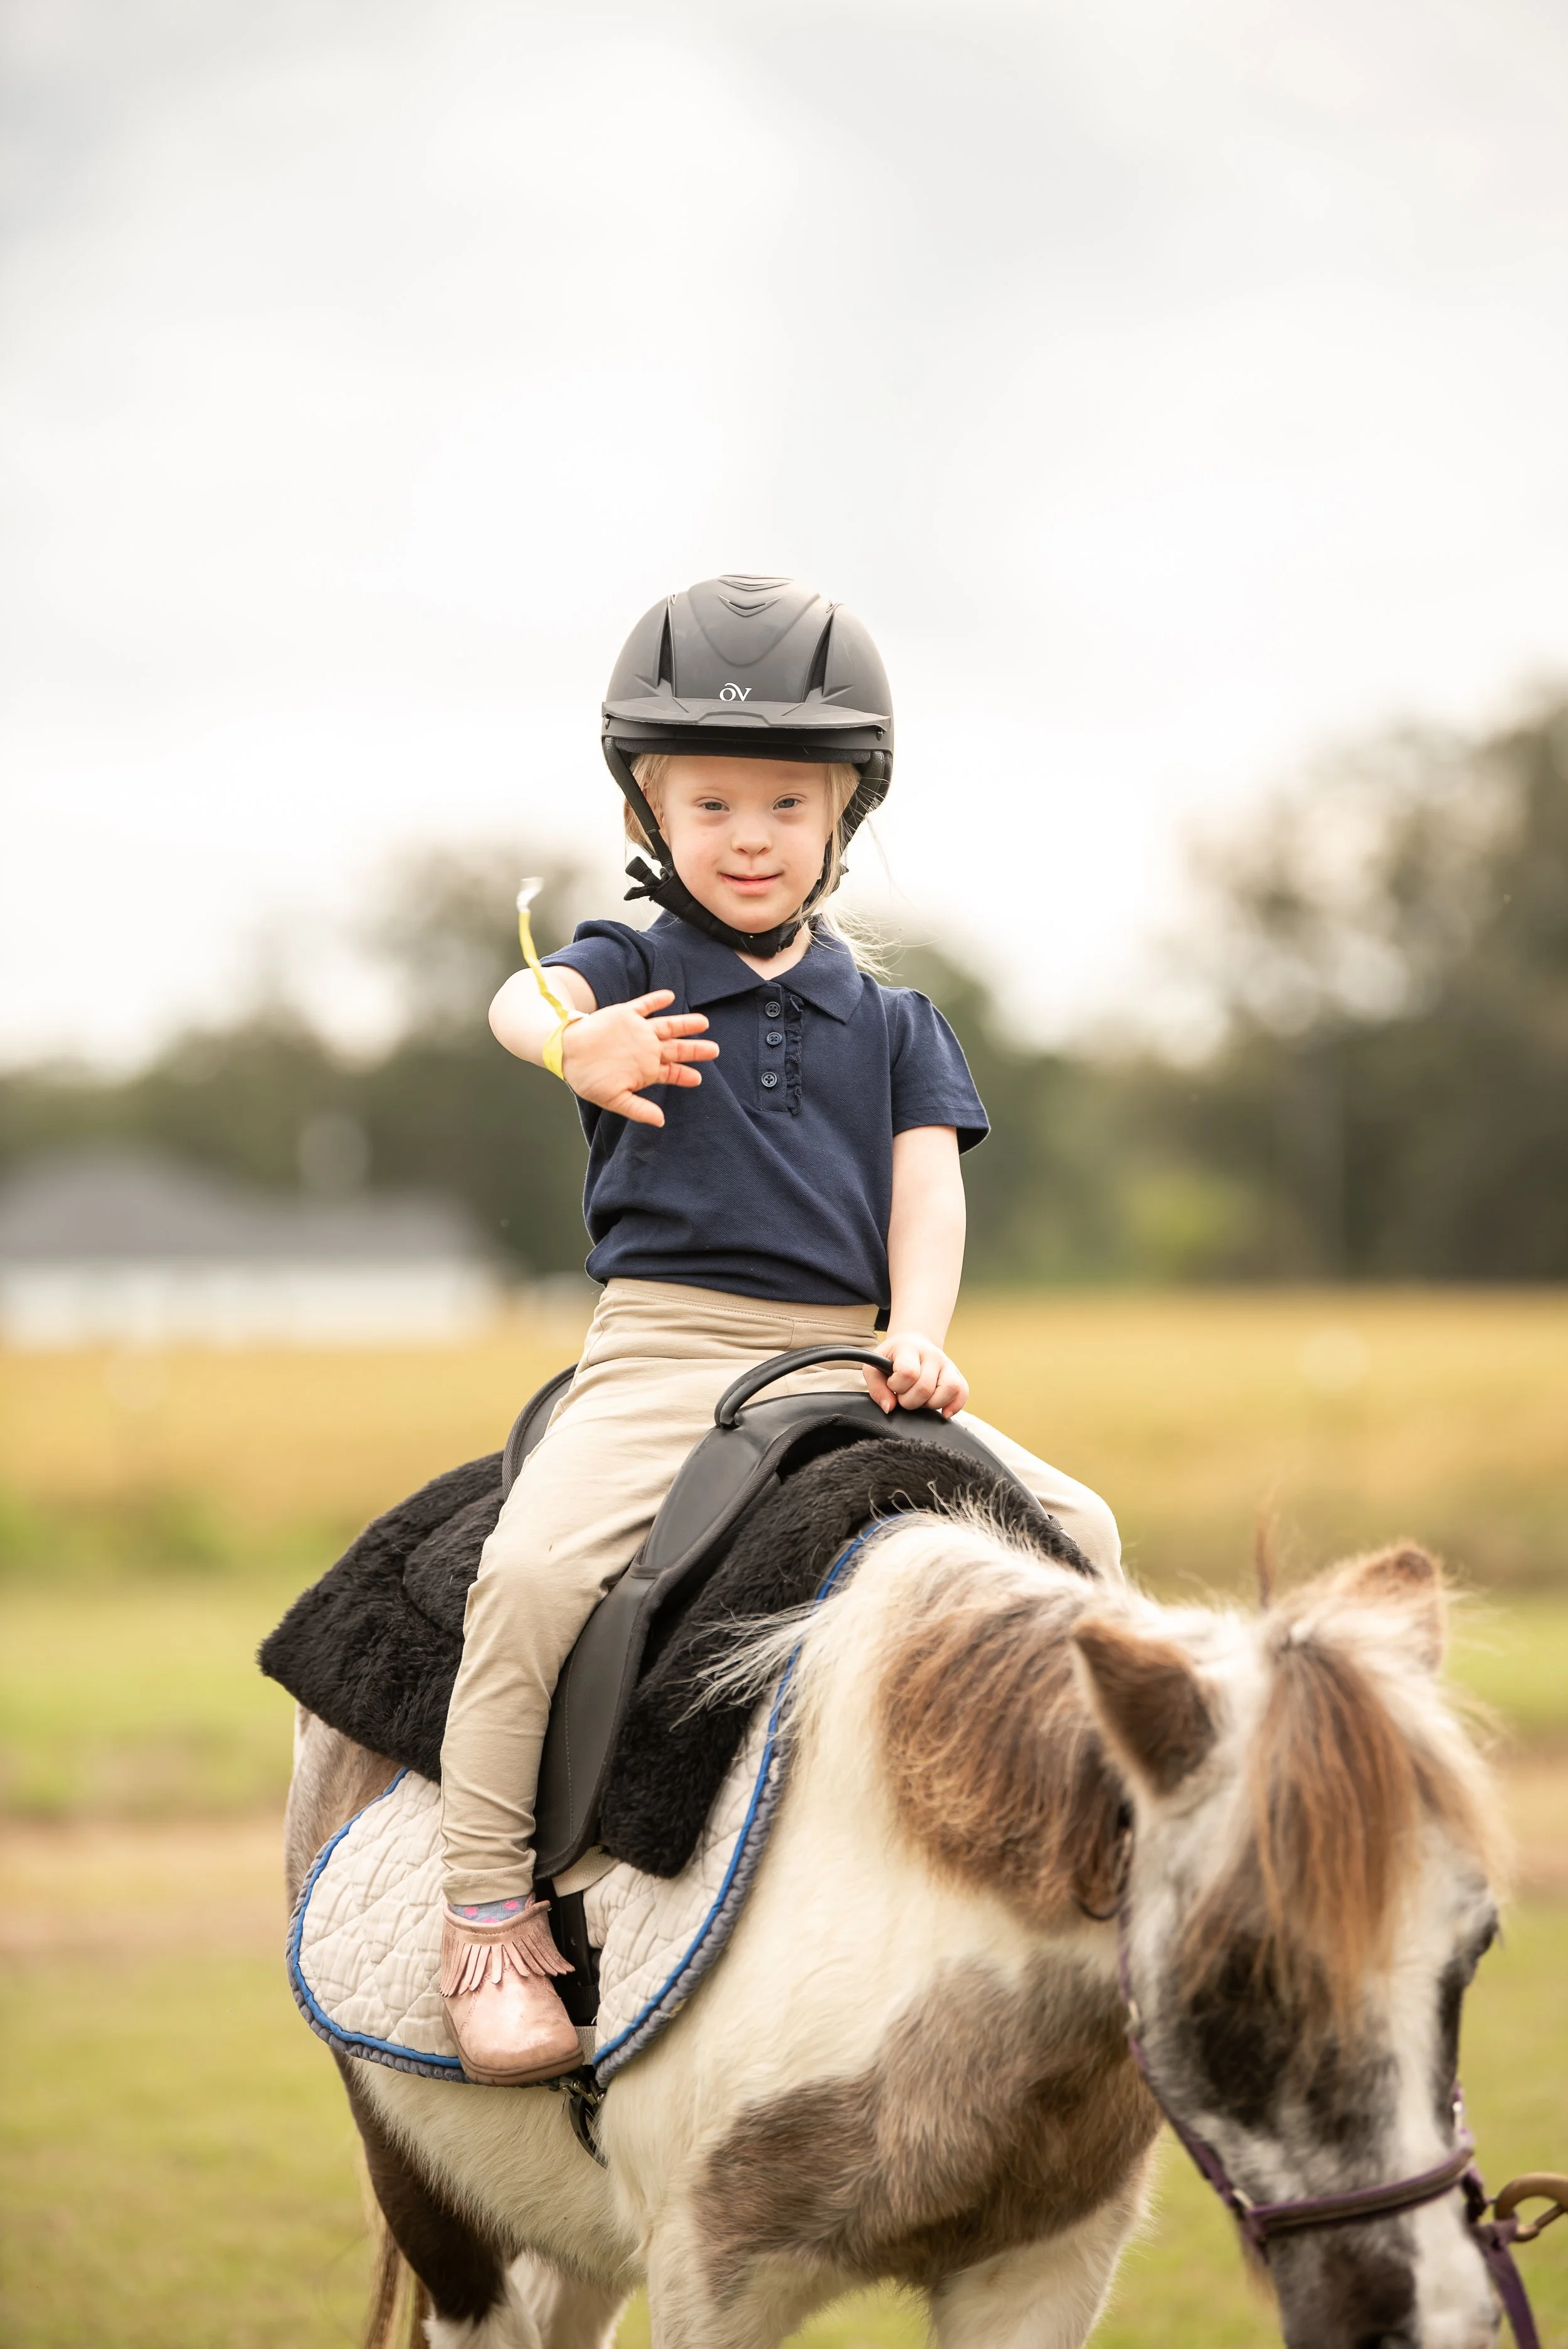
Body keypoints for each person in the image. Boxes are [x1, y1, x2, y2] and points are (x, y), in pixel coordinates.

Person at [437, 574, 1121, 2085]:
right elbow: (515, 995)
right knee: (534, 1572)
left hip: (844, 1354)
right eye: (712, 804)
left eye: (785, 807)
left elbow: (924, 1200)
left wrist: (919, 1333)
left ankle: (1104, 1880)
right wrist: (571, 1038)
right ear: (648, 816)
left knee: (1083, 1528)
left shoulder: (892, 1021)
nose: (750, 837)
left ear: (841, 819)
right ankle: (486, 1912)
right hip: (666, 1349)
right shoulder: (630, 968)